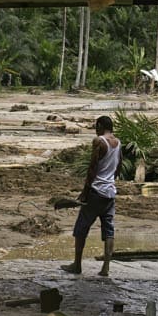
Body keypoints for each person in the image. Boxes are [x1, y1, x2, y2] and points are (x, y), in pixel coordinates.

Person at [63, 116, 120, 277]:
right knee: (109, 230)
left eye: (96, 126)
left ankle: (77, 265)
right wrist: (111, 182)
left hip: (96, 191)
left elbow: (92, 168)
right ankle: (106, 268)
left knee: (82, 228)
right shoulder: (118, 143)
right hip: (110, 192)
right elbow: (119, 165)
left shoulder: (99, 141)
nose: (95, 128)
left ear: (101, 126)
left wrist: (85, 191)